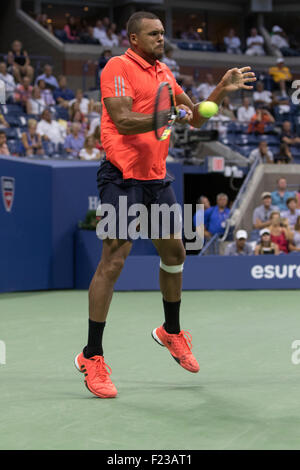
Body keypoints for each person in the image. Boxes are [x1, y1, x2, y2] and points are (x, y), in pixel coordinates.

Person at [74, 10, 256, 399]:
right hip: (122, 176)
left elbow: (196, 119)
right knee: (115, 259)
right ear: (134, 38)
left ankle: (170, 332)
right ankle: (92, 355)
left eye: (162, 33)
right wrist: (166, 113)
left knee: (175, 253)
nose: (161, 38)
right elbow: (122, 120)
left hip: (156, 179)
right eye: (153, 33)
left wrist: (221, 89)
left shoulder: (164, 74)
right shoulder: (117, 67)